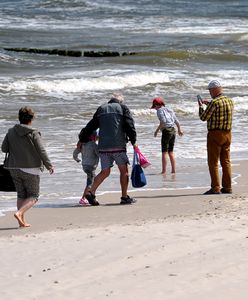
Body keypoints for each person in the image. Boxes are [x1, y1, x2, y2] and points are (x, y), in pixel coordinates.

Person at [78, 93, 137, 205]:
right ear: (120, 101)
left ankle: (91, 192)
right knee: (123, 171)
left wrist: (82, 139)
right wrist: (134, 140)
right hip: (118, 146)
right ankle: (124, 197)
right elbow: (130, 125)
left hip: (103, 147)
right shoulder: (122, 108)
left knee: (105, 171)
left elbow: (91, 126)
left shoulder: (101, 109)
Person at [1, 106, 54, 227]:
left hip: (14, 168)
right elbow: (41, 150)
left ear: (19, 118)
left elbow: (4, 148)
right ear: (32, 118)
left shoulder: (10, 131)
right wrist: (49, 165)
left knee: (21, 194)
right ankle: (19, 214)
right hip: (31, 168)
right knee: (33, 195)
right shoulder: (34, 132)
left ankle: (21, 221)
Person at [198, 80, 234, 195]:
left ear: (214, 89)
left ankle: (215, 187)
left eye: (210, 90)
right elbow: (220, 109)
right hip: (228, 134)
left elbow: (203, 117)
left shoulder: (214, 102)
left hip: (215, 134)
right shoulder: (229, 100)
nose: (209, 92)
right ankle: (227, 187)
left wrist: (200, 107)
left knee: (213, 162)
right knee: (226, 161)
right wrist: (208, 103)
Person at [151, 97, 183, 174]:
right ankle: (173, 170)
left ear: (156, 105)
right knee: (171, 152)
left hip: (166, 131)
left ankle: (164, 171)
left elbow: (163, 122)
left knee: (164, 152)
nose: (155, 108)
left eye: (154, 106)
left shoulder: (159, 111)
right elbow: (176, 121)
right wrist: (179, 129)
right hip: (173, 130)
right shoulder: (169, 109)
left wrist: (157, 130)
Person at [73, 131, 99, 205]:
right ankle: (84, 198)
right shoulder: (93, 145)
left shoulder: (82, 145)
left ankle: (87, 197)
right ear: (93, 137)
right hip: (91, 167)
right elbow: (99, 154)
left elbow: (75, 153)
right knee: (91, 183)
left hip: (84, 166)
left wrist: (77, 159)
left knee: (90, 181)